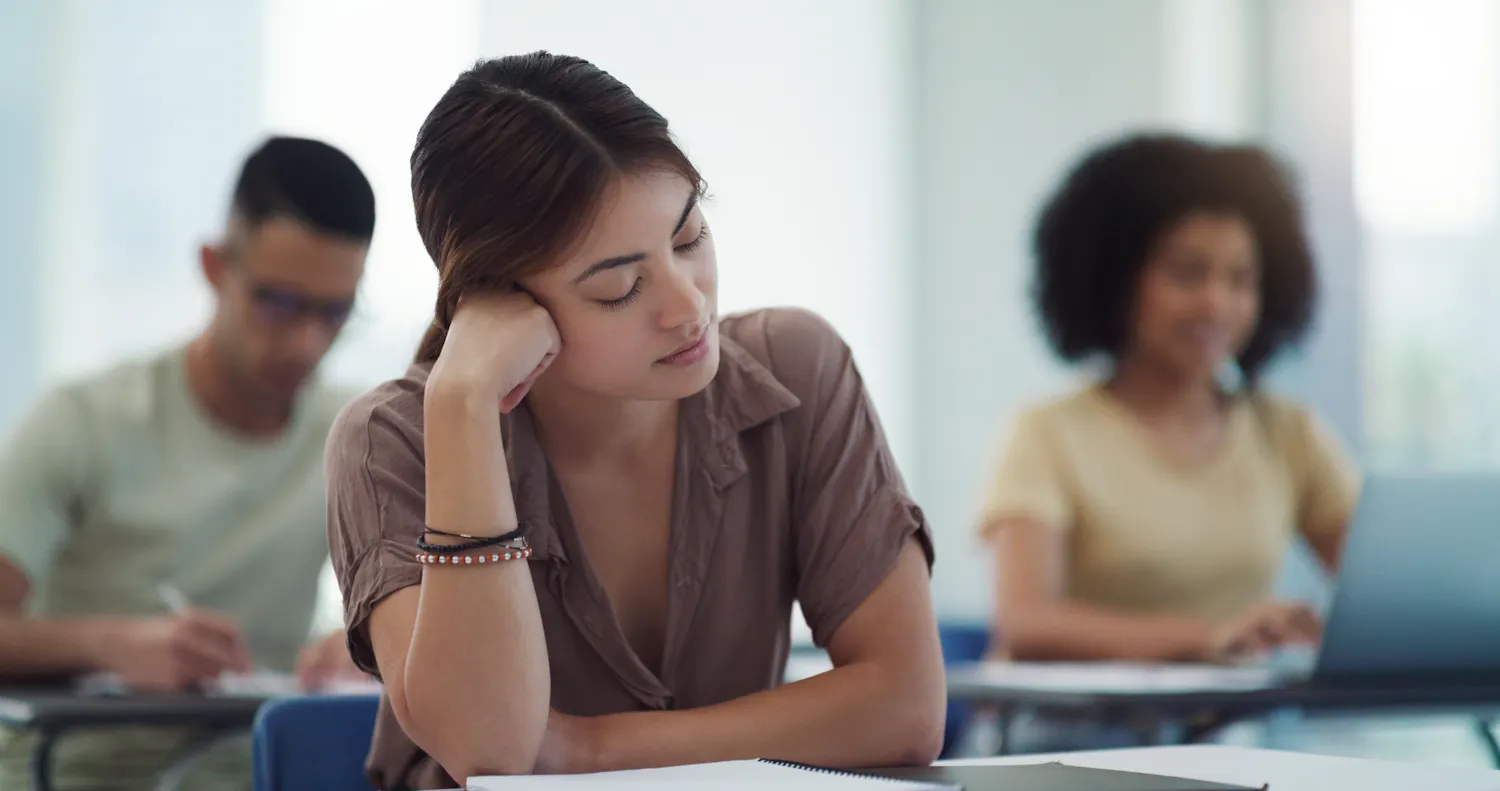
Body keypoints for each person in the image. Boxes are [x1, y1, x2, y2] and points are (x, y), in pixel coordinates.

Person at [325, 51, 945, 788]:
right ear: (500, 304)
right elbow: (489, 751)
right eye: (619, 287)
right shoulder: (394, 439)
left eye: (689, 239)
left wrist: (587, 751)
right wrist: (463, 404)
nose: (689, 306)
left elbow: (905, 708)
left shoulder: (797, 369)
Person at [0, 136, 375, 790]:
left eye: (333, 312)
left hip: (251, 773)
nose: (307, 341)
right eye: (279, 302)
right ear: (212, 265)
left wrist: (373, 644)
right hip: (73, 772)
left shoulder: (352, 435)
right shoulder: (84, 420)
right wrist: (109, 644)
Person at [977, 134, 1360, 666]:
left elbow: (1386, 595)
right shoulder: (1046, 433)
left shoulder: (1289, 432)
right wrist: (1210, 637)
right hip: (1064, 737)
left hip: (1229, 735)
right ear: (1116, 281)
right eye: (1187, 273)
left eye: (1240, 278)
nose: (1216, 302)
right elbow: (1026, 623)